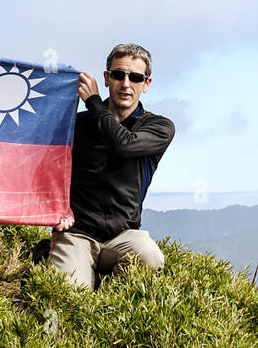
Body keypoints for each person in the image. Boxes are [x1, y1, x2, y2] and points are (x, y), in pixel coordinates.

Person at [47, 43, 175, 290]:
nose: (126, 84)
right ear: (107, 78)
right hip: (76, 233)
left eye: (135, 77)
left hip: (124, 237)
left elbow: (124, 145)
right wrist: (54, 210)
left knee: (150, 257)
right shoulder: (75, 125)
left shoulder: (159, 127)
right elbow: (47, 168)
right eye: (118, 75)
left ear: (146, 84)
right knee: (68, 295)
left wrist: (94, 102)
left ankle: (108, 297)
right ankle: (70, 266)